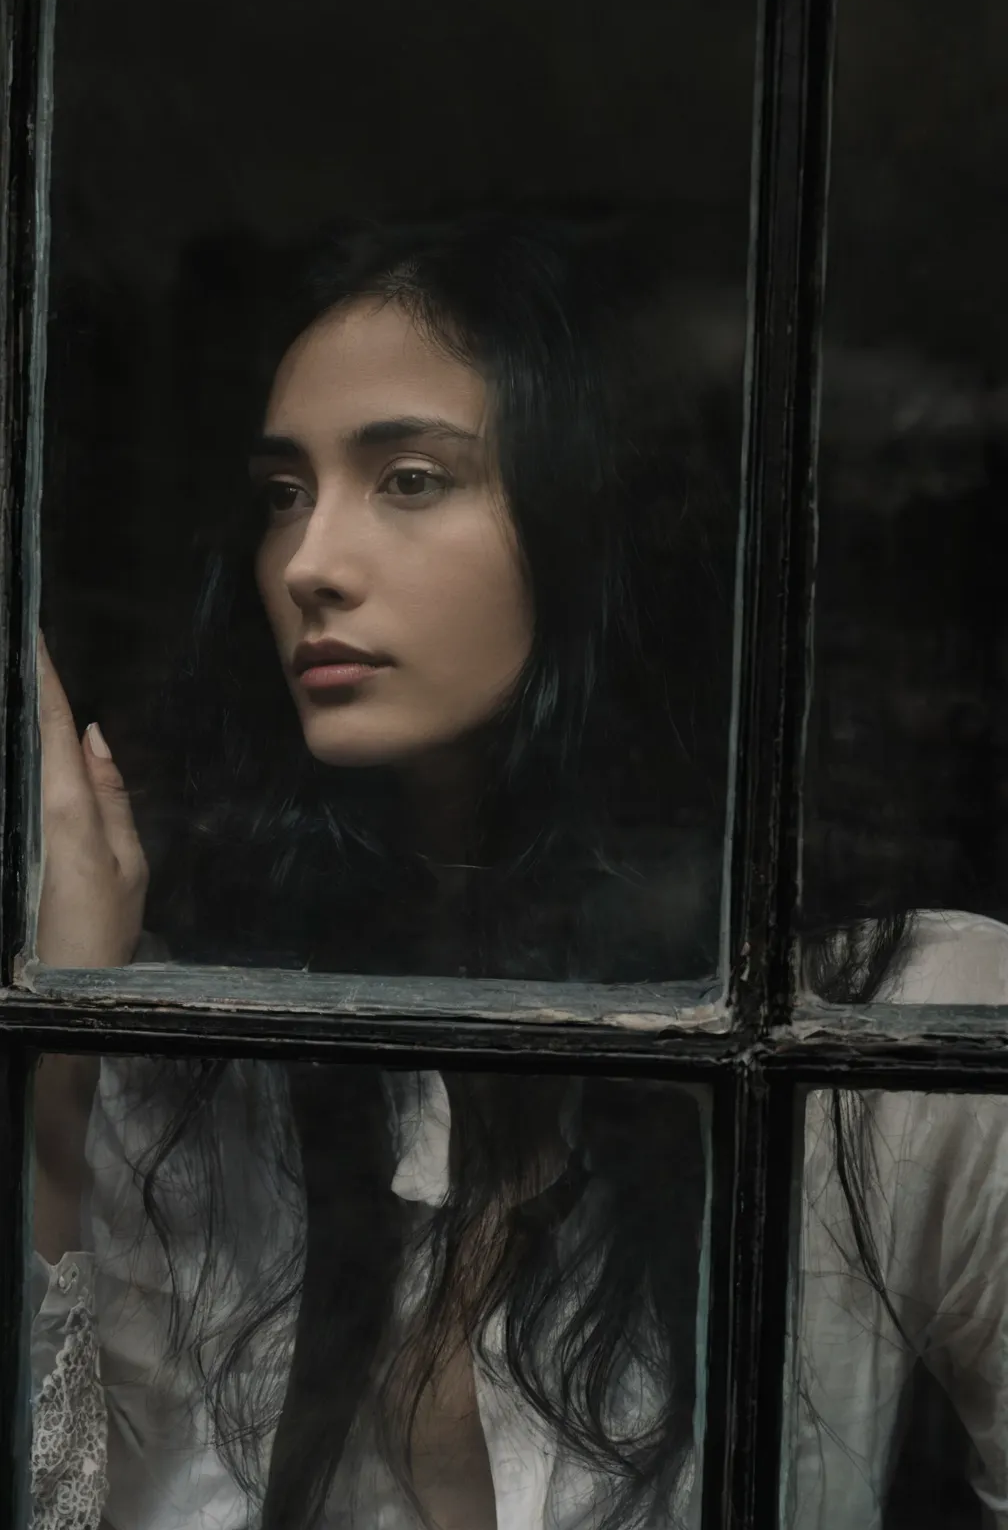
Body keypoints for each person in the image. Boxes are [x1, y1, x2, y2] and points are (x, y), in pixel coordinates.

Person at [30, 213, 1008, 1530]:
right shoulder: (230, 1058)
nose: (310, 563)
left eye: (410, 479)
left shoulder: (897, 1028)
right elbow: (111, 1500)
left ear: (589, 514)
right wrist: (65, 1042)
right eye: (281, 496)